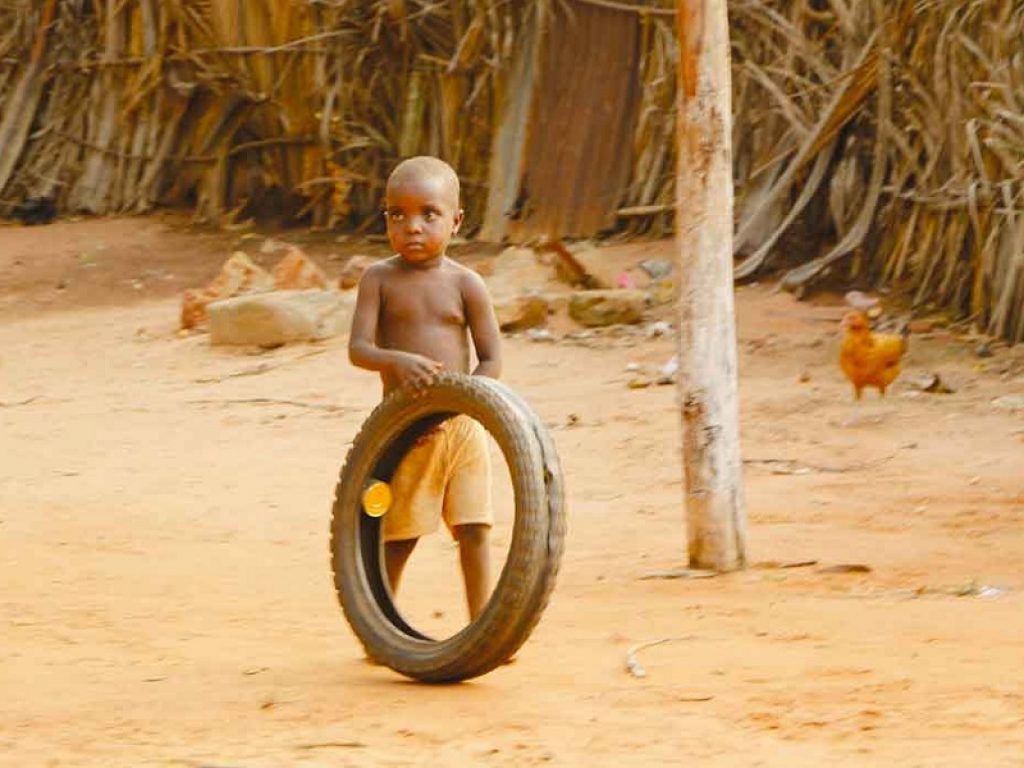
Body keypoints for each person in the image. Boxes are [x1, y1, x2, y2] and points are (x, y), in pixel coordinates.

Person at [348, 156, 502, 621]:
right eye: (398, 214)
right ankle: (382, 628)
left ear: (455, 221)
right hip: (407, 430)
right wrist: (395, 360)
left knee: (475, 529)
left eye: (428, 214)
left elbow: (492, 358)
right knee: (400, 536)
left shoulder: (466, 284)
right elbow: (358, 349)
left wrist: (467, 406)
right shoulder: (378, 279)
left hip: (462, 427)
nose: (412, 226)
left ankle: (484, 625)